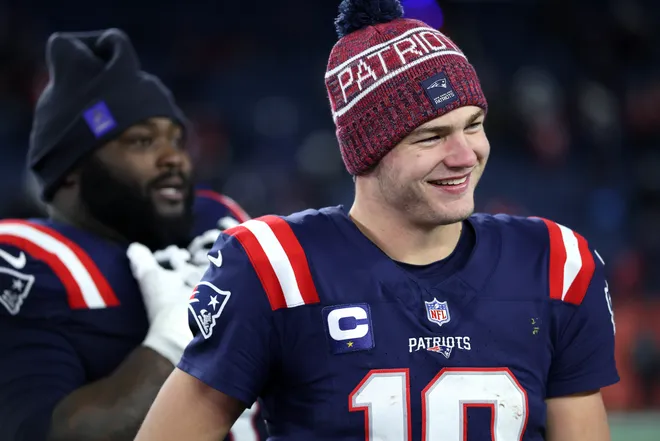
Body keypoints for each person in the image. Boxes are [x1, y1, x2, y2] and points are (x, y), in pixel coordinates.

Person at [135, 1, 619, 440]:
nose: (464, 154)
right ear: (369, 152)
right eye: (431, 137)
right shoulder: (275, 269)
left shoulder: (556, 263)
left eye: (474, 125)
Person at [0, 29, 265, 441]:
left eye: (177, 140)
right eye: (142, 142)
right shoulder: (29, 264)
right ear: (70, 170)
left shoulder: (219, 223)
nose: (173, 158)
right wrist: (171, 345)